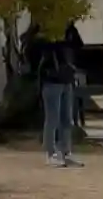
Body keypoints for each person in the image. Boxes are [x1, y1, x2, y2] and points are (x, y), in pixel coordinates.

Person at [31, 24, 83, 168]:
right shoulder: (42, 35)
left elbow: (78, 44)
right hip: (51, 80)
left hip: (66, 79)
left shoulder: (68, 32)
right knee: (52, 118)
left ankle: (66, 152)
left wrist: (70, 28)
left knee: (67, 118)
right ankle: (51, 152)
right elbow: (37, 51)